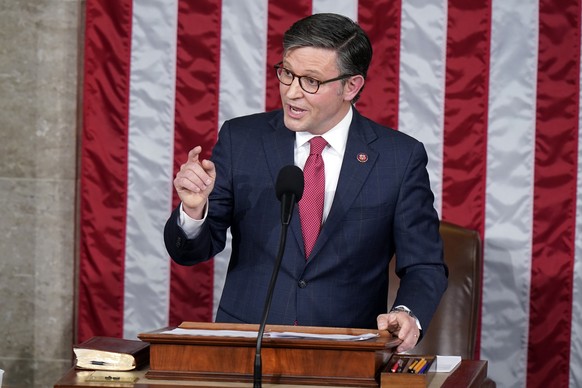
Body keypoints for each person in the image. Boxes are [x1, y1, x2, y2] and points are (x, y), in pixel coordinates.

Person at [164, 13, 448, 353]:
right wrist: (194, 212)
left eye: (311, 81)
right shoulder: (242, 140)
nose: (292, 93)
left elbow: (424, 264)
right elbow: (192, 252)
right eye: (287, 73)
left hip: (346, 353)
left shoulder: (398, 158)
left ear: (351, 86)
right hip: (248, 346)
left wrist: (407, 312)